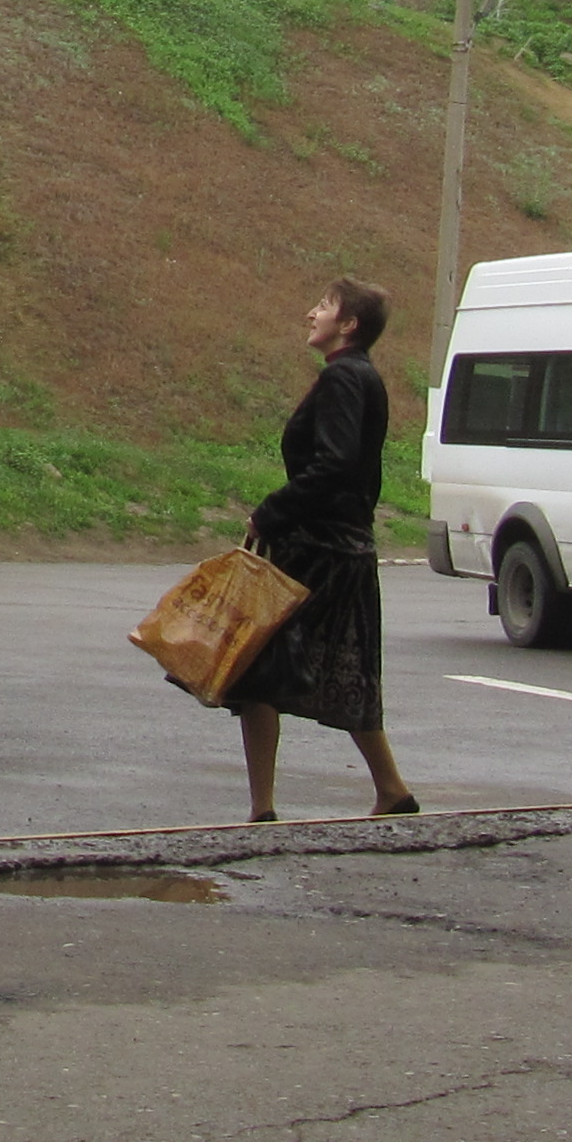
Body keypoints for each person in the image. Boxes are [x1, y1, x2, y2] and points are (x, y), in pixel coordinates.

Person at [225, 278, 420, 823]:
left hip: (318, 549)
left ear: (349, 324)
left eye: (325, 306)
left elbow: (333, 464)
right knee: (346, 668)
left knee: (256, 669)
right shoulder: (364, 377)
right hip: (348, 545)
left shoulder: (342, 379)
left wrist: (270, 511)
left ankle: (262, 810)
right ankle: (391, 790)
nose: (312, 313)